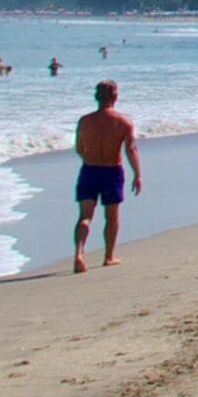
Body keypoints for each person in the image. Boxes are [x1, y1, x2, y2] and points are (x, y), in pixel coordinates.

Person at [72, 81, 141, 272]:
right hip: (112, 171)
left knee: (85, 216)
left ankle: (79, 253)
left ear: (96, 97)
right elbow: (131, 149)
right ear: (115, 97)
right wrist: (137, 175)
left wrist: (90, 159)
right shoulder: (123, 122)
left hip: (89, 170)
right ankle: (108, 256)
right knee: (111, 217)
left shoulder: (85, 121)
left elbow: (79, 148)